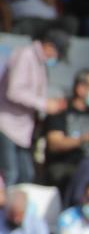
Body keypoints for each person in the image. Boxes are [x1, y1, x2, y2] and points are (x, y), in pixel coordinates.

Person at [0, 29, 67, 184]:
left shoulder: (39, 62)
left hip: (22, 127)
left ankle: (19, 208)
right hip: (6, 124)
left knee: (26, 175)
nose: (55, 58)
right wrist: (44, 104)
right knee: (10, 174)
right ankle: (6, 208)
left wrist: (50, 103)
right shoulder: (25, 55)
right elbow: (14, 91)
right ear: (50, 46)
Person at [44, 70, 89, 191]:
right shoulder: (60, 111)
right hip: (66, 166)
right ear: (81, 89)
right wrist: (85, 138)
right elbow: (54, 143)